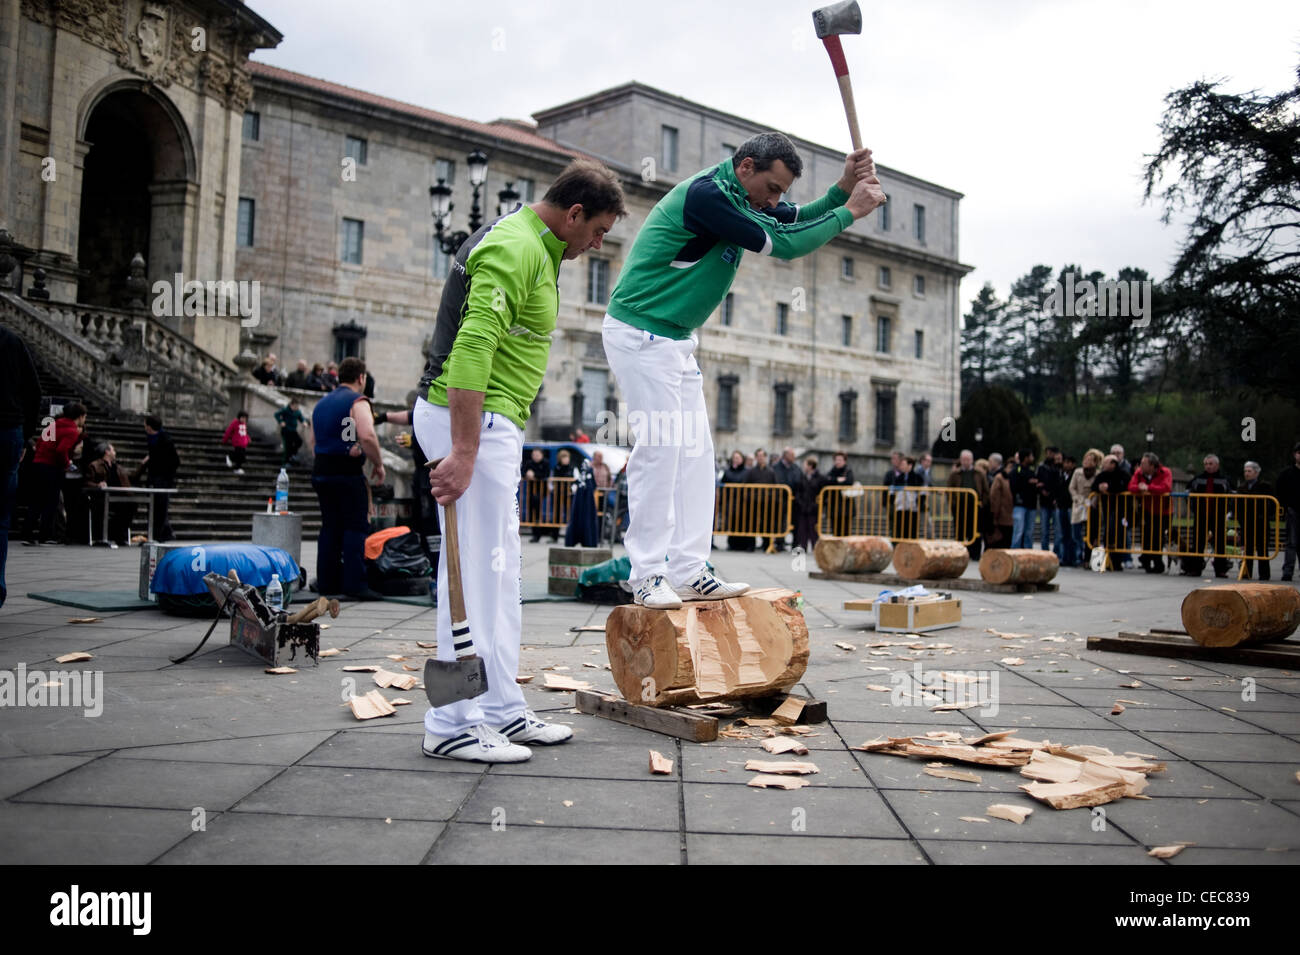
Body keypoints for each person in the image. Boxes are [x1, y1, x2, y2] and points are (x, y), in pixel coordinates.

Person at [603, 131, 884, 608]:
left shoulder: (743, 195)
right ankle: (646, 573)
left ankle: (690, 569)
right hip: (639, 333)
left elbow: (794, 217)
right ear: (747, 166)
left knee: (697, 457)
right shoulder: (708, 197)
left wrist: (840, 191)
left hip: (675, 340)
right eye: (772, 188)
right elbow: (785, 243)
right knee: (662, 448)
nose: (775, 199)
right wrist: (852, 210)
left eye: (781, 191)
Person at [412, 158, 625, 762]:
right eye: (599, 231)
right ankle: (451, 723)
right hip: (473, 422)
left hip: (490, 423)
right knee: (472, 575)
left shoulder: (537, 245)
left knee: (500, 574)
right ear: (574, 212)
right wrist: (462, 449)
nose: (598, 244)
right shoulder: (515, 246)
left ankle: (501, 709)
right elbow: (472, 347)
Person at [310, 356, 386, 600]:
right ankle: (355, 584)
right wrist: (378, 463)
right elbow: (367, 435)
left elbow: (312, 440)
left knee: (330, 527)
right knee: (355, 526)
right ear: (360, 378)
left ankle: (327, 583)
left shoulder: (321, 404)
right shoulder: (358, 401)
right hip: (347, 471)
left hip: (322, 470)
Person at [0, 326, 41, 605]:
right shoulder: (11, 340)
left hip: (10, 431)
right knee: (0, 521)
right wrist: (24, 436)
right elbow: (34, 392)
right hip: (8, 432)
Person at [23, 401, 85, 544]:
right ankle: (44, 535)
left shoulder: (53, 425)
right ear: (80, 416)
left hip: (39, 463)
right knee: (51, 501)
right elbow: (61, 450)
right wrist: (67, 463)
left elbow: (39, 443)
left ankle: (27, 533)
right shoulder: (71, 430)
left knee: (37, 500)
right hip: (52, 467)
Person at [1181, 453, 1233, 578]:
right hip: (1201, 515)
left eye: (1210, 464)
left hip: (1218, 515)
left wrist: (1226, 510)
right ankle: (1195, 568)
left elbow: (1232, 496)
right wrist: (1194, 508)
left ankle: (1220, 569)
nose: (1208, 466)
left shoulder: (1224, 480)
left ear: (1217, 465)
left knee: (1220, 543)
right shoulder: (1197, 479)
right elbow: (1188, 494)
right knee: (1198, 542)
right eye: (1206, 464)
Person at [84, 443, 140, 545]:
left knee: (131, 505)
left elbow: (132, 477)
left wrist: (143, 464)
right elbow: (87, 482)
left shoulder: (118, 467)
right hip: (102, 497)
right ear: (107, 451)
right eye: (113, 450)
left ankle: (118, 534)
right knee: (105, 507)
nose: (115, 452)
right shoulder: (94, 465)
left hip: (119, 496)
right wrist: (98, 485)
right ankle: (109, 535)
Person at [1128, 451, 1173, 573]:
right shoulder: (1139, 473)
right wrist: (1139, 488)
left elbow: (1166, 487)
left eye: (1143, 463)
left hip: (1164, 511)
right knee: (1146, 536)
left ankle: (1158, 564)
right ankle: (1146, 561)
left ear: (1152, 465)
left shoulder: (1165, 472)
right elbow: (1131, 486)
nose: (1140, 466)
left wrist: (1148, 488)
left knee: (1158, 537)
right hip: (1147, 510)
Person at [140, 414, 180, 542]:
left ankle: (157, 535)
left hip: (162, 479)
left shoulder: (164, 439)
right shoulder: (152, 438)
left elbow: (174, 461)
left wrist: (166, 478)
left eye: (145, 424)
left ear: (150, 427)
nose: (144, 427)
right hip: (154, 478)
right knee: (154, 507)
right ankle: (164, 533)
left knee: (160, 508)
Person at [947, 449, 988, 561]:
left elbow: (985, 490)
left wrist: (982, 503)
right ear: (960, 460)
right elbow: (949, 489)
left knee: (974, 531)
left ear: (972, 460)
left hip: (975, 506)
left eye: (968, 459)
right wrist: (953, 503)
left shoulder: (979, 473)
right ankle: (959, 553)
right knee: (960, 530)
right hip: (960, 507)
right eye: (964, 459)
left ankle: (974, 554)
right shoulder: (955, 474)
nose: (966, 462)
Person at [1237, 461, 1274, 580]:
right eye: (1245, 471)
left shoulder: (1265, 487)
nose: (1246, 474)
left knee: (1262, 549)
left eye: (1249, 471)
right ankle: (1246, 573)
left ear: (1256, 473)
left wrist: (1265, 515)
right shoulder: (1242, 488)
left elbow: (1271, 504)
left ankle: (1264, 575)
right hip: (1246, 522)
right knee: (1247, 549)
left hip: (1260, 522)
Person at [1092, 454, 1127, 569]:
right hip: (1105, 509)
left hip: (1120, 509)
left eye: (1105, 463)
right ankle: (1100, 562)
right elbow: (1094, 486)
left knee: (1118, 535)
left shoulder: (1122, 474)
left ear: (1113, 464)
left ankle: (1117, 562)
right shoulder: (1102, 475)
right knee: (1105, 533)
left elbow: (1125, 486)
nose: (1103, 465)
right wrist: (1099, 488)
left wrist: (1109, 488)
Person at [1069, 449, 1103, 569]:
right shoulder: (1077, 472)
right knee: (1076, 533)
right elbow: (1072, 487)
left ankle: (1093, 562)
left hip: (1093, 506)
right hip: (1079, 505)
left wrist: (1094, 499)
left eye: (1090, 460)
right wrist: (1077, 498)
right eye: (1085, 459)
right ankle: (1077, 557)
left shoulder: (1098, 474)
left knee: (1093, 534)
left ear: (1095, 462)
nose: (1086, 462)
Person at [771, 447, 804, 552]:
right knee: (779, 522)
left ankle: (795, 544)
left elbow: (800, 481)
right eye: (791, 455)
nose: (794, 457)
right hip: (780, 499)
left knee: (795, 523)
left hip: (794, 499)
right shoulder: (775, 467)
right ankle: (779, 543)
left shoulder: (796, 468)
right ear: (785, 455)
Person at [1036, 446, 1066, 561]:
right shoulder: (1042, 467)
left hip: (1056, 502)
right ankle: (1045, 552)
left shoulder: (1060, 469)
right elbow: (1038, 481)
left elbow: (1059, 485)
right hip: (1045, 502)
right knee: (1044, 530)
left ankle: (1056, 552)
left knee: (1058, 530)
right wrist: (1041, 489)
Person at [720, 450, 754, 552]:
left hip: (744, 502)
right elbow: (723, 485)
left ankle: (747, 545)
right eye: (734, 457)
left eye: (738, 458)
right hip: (731, 501)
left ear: (742, 459)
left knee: (745, 523)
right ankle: (733, 544)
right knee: (732, 523)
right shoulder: (727, 471)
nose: (736, 459)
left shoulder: (747, 471)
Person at [746, 448, 779, 552]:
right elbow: (746, 486)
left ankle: (766, 544)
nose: (760, 458)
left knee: (767, 524)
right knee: (752, 523)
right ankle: (751, 545)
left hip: (767, 503)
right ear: (756, 458)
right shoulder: (751, 471)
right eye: (758, 456)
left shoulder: (771, 472)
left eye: (762, 456)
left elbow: (775, 487)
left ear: (765, 457)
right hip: (753, 503)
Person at [794, 455, 827, 553]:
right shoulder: (802, 477)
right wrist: (799, 502)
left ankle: (815, 547)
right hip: (803, 506)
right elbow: (799, 491)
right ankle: (803, 546)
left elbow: (823, 493)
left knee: (813, 529)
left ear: (810, 466)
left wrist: (818, 504)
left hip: (814, 507)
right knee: (802, 528)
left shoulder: (820, 478)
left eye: (805, 464)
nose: (804, 467)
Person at [1277, 442, 1300, 581]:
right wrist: (1285, 506)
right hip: (1293, 511)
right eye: (1299, 452)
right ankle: (1288, 571)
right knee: (1291, 542)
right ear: (1294, 454)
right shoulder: (1287, 473)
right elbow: (1280, 490)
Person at [1009, 448, 1038, 549]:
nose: (1032, 458)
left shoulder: (1031, 471)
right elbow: (1014, 485)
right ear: (1025, 458)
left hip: (1031, 504)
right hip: (1020, 504)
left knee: (1029, 532)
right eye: (1031, 456)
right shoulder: (1016, 470)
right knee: (1018, 531)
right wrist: (1028, 483)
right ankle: (1014, 553)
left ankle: (1027, 553)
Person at [889, 455, 924, 540]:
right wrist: (893, 501)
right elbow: (892, 491)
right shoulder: (898, 478)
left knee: (912, 532)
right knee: (900, 531)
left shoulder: (917, 478)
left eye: (903, 464)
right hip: (900, 508)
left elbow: (923, 493)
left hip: (913, 509)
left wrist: (919, 503)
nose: (901, 466)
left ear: (910, 465)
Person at [523, 448, 551, 543]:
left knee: (538, 508)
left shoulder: (546, 463)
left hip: (542, 490)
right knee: (532, 512)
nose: (535, 457)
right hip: (531, 491)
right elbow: (522, 473)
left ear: (542, 455)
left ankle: (540, 531)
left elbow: (545, 475)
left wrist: (534, 475)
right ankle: (535, 534)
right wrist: (527, 475)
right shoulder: (529, 463)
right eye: (534, 455)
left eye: (537, 455)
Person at [827, 451, 857, 537]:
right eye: (836, 459)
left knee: (845, 532)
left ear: (844, 461)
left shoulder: (848, 470)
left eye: (840, 459)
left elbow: (849, 482)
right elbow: (826, 481)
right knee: (835, 532)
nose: (837, 461)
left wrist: (835, 482)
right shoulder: (832, 471)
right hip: (834, 507)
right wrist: (837, 480)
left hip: (846, 508)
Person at [986, 453, 1011, 549]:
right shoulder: (992, 474)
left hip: (1000, 511)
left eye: (990, 461)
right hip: (1002, 511)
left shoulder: (999, 477)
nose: (989, 464)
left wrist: (994, 512)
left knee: (999, 537)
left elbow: (994, 496)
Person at [275, 398, 308, 465]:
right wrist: (281, 421)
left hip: (293, 431)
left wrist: (304, 422)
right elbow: (276, 414)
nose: (297, 408)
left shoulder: (297, 411)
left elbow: (301, 417)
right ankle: (285, 462)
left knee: (299, 441)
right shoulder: (285, 410)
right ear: (291, 405)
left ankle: (293, 454)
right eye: (295, 406)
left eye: (297, 406)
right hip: (286, 431)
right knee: (288, 446)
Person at [221, 410, 250, 475]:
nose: (243, 419)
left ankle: (237, 468)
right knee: (238, 455)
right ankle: (230, 458)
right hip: (237, 442)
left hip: (243, 443)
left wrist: (248, 439)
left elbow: (245, 433)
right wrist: (225, 440)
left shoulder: (244, 424)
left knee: (242, 457)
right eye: (242, 418)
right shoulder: (235, 423)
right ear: (239, 417)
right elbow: (228, 431)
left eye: (245, 418)